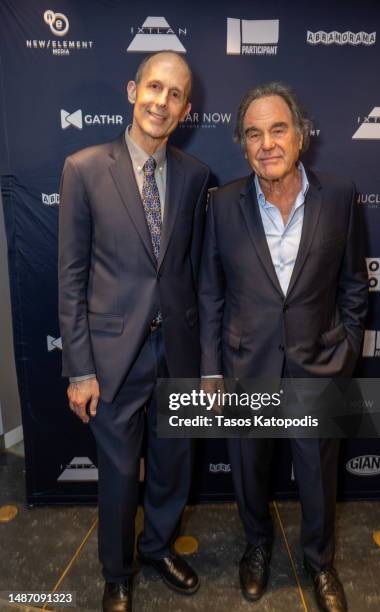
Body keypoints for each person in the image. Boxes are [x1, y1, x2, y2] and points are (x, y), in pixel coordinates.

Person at [199, 82, 368, 611]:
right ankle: (256, 547)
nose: (267, 143)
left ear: (300, 136)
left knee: (319, 476)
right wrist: (210, 372)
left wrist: (347, 351)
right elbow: (211, 292)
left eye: (278, 130)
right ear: (243, 144)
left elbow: (354, 285)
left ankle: (320, 563)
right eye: (254, 133)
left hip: (319, 367)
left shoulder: (339, 195)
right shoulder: (222, 204)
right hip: (247, 366)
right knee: (249, 471)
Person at [59, 51, 210, 612]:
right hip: (111, 356)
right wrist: (79, 368)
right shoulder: (83, 167)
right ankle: (118, 571)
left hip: (178, 351)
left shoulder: (196, 177)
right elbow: (70, 276)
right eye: (153, 87)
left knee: (173, 466)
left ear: (186, 109)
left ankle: (158, 547)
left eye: (174, 95)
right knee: (120, 475)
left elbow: (193, 272)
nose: (161, 102)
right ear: (132, 90)